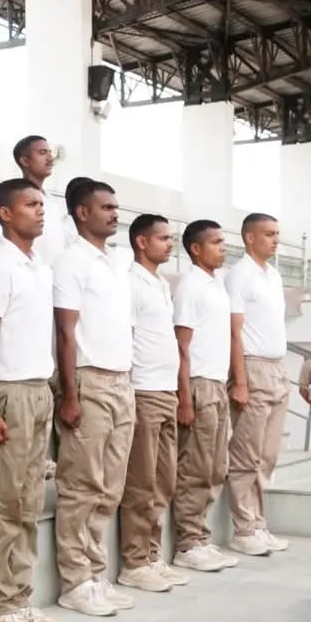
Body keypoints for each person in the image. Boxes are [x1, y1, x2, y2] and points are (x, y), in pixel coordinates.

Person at [0, 177, 66, 622]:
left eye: (41, 204)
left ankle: (22, 597)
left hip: (38, 389)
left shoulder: (39, 267)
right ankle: (0, 606)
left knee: (29, 503)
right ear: (6, 214)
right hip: (9, 392)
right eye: (30, 204)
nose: (40, 211)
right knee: (6, 504)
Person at [51, 178, 135, 617]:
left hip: (122, 380)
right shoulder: (70, 262)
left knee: (110, 486)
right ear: (82, 213)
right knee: (82, 485)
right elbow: (65, 333)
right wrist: (69, 393)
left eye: (116, 207)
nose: (114, 213)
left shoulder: (117, 262)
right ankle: (75, 581)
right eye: (106, 207)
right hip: (89, 379)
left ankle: (96, 574)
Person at [171, 219, 242, 574]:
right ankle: (188, 542)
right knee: (196, 467)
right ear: (196, 249)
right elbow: (181, 346)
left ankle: (201, 536)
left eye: (223, 241)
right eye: (215, 242)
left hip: (217, 383)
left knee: (215, 467)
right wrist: (185, 397)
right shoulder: (190, 287)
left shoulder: (217, 285)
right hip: (197, 384)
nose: (223, 247)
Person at [118, 214, 184, 593]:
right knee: (141, 482)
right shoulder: (131, 282)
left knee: (163, 481)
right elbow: (126, 336)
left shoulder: (160, 283)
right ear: (142, 242)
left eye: (171, 238)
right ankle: (134, 561)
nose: (169, 244)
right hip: (143, 390)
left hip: (166, 390)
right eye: (163, 238)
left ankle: (152, 555)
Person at [223, 212, 293, 554]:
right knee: (246, 454)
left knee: (267, 456)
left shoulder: (273, 275)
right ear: (250, 237)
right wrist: (239, 380)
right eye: (269, 234)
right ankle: (244, 529)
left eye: (277, 233)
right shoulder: (239, 275)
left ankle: (259, 524)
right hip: (252, 367)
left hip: (277, 368)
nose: (276, 239)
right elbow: (233, 331)